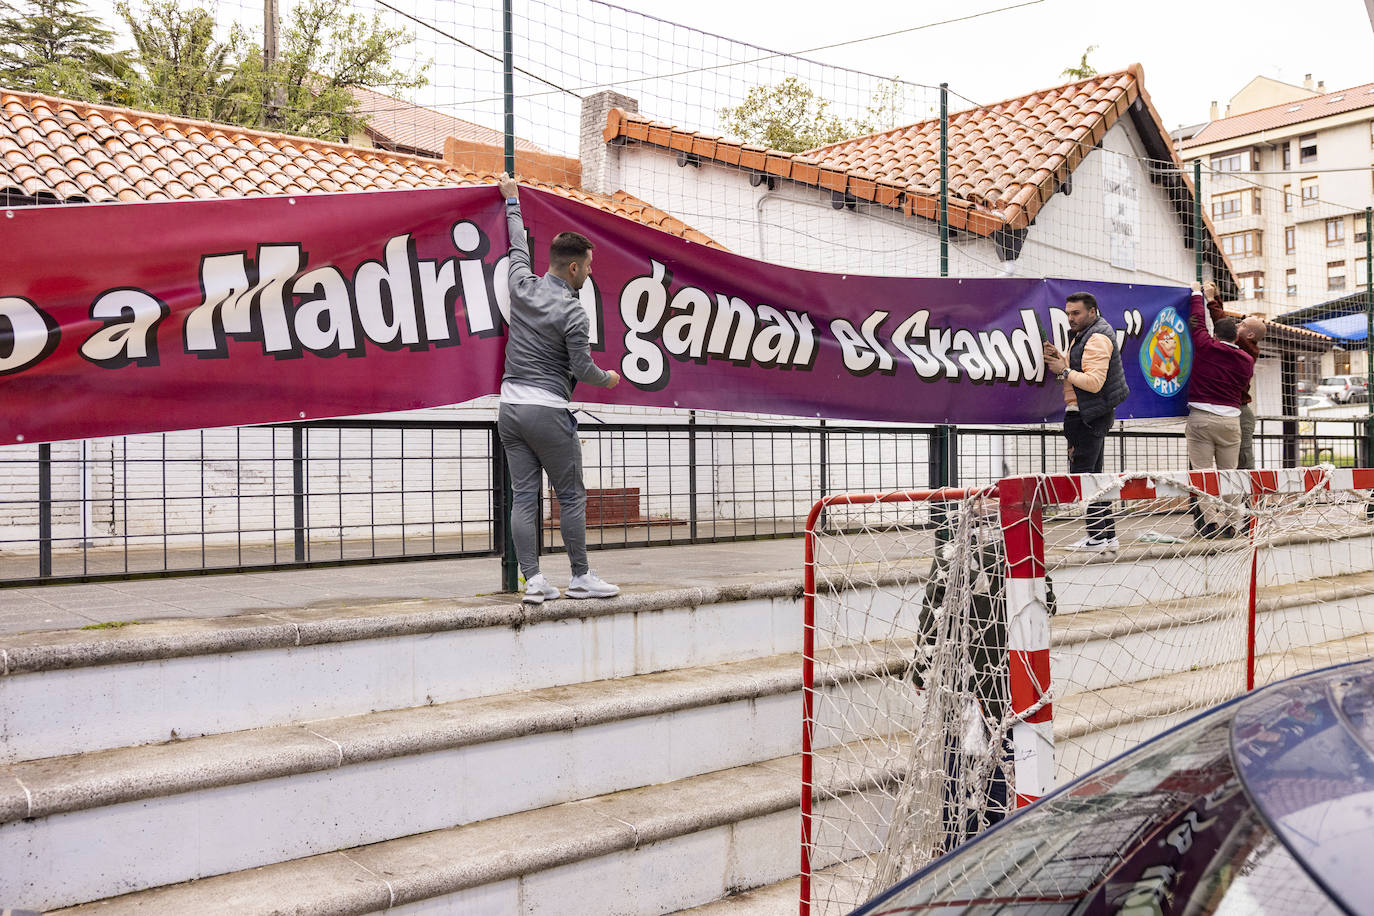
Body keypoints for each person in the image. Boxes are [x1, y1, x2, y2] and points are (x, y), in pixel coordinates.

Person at [496, 172, 622, 604]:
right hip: (549, 411)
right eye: (588, 266)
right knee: (570, 495)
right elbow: (582, 368)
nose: (589, 272)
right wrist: (608, 378)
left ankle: (532, 582)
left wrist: (511, 200)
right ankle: (581, 577)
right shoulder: (574, 312)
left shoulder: (521, 285)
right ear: (573, 267)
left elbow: (516, 246)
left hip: (509, 409)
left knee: (523, 496)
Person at [1043, 292, 1130, 553]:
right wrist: (1061, 358)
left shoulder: (1097, 338)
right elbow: (1081, 368)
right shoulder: (1087, 334)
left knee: (1084, 479)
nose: (1071, 318)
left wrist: (1064, 370)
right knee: (1095, 478)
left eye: (1076, 313)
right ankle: (1105, 536)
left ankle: (1098, 537)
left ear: (1092, 311)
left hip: (1087, 415)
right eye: (1068, 313)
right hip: (1090, 413)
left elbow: (1093, 382)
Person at [1185, 280, 1256, 538]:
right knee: (1229, 476)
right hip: (1230, 422)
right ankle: (1232, 521)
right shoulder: (1247, 360)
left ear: (1215, 336)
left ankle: (1212, 520)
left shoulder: (1205, 345)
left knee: (1203, 474)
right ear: (1236, 337)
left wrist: (1197, 293)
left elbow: (1197, 322)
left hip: (1201, 418)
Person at [1204, 281, 1266, 468]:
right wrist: (1216, 298)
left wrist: (1211, 300)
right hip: (1231, 410)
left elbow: (1222, 326)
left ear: (1249, 336)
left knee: (1243, 458)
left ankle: (1250, 495)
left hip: (1239, 411)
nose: (1237, 324)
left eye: (1242, 325)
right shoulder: (1244, 345)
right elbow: (1224, 325)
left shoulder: (1247, 348)